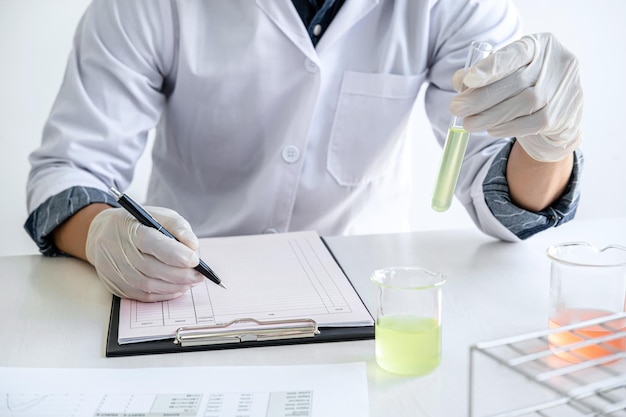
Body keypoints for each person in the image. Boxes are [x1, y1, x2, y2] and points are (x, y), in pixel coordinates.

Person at [25, 0, 583, 302]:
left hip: (366, 296)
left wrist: (549, 142)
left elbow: (501, 198)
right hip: (186, 290)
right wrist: (102, 234)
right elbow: (71, 167)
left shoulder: (454, 6)